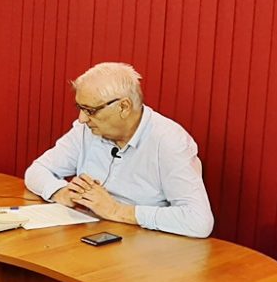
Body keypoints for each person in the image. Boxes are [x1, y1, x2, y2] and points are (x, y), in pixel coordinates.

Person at [24, 62, 214, 238]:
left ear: (124, 107)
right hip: (87, 236)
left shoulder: (169, 141)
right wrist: (61, 192)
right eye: (79, 108)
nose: (82, 119)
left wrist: (116, 211)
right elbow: (36, 171)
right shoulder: (87, 130)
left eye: (90, 110)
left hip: (143, 247)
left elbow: (199, 221)